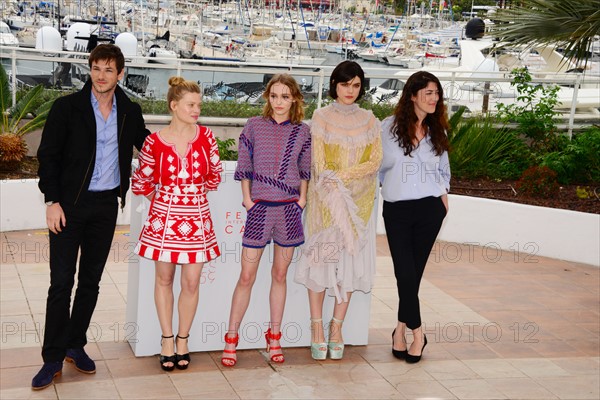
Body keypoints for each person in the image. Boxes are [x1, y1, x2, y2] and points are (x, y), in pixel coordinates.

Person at [34, 44, 150, 390]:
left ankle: (75, 343)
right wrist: (52, 201)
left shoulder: (129, 110)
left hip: (104, 207)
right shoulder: (66, 107)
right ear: (90, 70)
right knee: (61, 284)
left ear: (120, 74)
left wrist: (186, 142)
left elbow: (147, 145)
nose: (101, 75)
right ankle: (52, 356)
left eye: (109, 70)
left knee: (90, 283)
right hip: (69, 206)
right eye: (96, 68)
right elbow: (48, 156)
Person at [131, 77, 222, 371]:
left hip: (196, 218)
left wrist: (188, 193)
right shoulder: (153, 142)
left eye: (199, 105)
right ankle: (166, 340)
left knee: (191, 282)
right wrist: (167, 196)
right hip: (164, 219)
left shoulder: (207, 137)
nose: (196, 110)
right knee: (164, 280)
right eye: (191, 105)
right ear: (174, 106)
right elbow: (141, 181)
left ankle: (183, 338)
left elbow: (215, 176)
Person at [221, 74, 311, 367]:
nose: (279, 102)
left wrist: (302, 198)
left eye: (285, 96)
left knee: (279, 275)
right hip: (259, 209)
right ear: (267, 97)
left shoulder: (302, 131)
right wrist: (248, 199)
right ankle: (231, 338)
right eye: (274, 96)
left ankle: (274, 337)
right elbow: (244, 165)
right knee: (246, 276)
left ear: (294, 98)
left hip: (288, 210)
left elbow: (305, 168)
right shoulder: (254, 126)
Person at [294, 60, 382, 360]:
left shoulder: (371, 121)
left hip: (360, 205)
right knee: (321, 264)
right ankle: (316, 327)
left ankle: (337, 327)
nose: (350, 91)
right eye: (345, 84)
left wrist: (346, 181)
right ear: (335, 85)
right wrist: (336, 185)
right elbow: (318, 163)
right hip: (325, 204)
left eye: (356, 85)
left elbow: (374, 161)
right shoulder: (320, 118)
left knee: (349, 267)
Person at [379, 71, 450, 364]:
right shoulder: (387, 128)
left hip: (430, 211)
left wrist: (443, 198)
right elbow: (377, 167)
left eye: (437, 93)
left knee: (413, 277)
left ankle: (399, 329)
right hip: (397, 210)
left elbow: (444, 170)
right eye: (428, 93)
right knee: (404, 274)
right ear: (412, 95)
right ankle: (418, 332)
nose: (434, 98)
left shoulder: (438, 132)